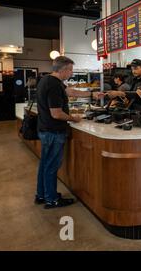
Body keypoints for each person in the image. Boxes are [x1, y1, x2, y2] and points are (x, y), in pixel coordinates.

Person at [35, 56, 101, 209]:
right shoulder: (54, 85)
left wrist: (92, 94)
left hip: (45, 129)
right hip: (53, 131)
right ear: (64, 69)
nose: (71, 73)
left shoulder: (47, 80)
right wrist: (74, 118)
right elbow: (56, 113)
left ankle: (42, 195)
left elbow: (70, 91)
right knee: (51, 166)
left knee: (45, 165)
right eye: (70, 70)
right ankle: (52, 200)